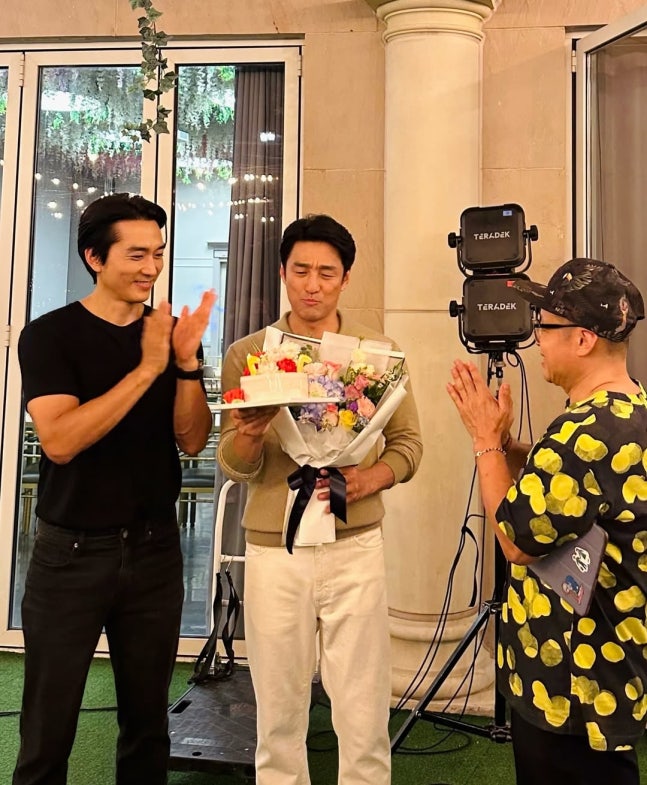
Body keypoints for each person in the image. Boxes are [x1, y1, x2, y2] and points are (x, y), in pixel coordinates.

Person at [14, 193, 215, 785]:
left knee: (148, 726)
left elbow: (192, 440)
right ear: (95, 258)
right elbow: (60, 441)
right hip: (70, 555)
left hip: (155, 551)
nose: (152, 268)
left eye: (158, 253)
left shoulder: (171, 336)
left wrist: (184, 366)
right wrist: (148, 368)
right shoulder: (50, 336)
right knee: (47, 730)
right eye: (136, 255)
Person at [217, 214, 423, 785]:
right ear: (283, 273)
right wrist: (251, 434)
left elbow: (409, 445)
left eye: (326, 273)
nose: (312, 285)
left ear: (346, 278)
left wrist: (367, 479)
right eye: (301, 270)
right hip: (274, 548)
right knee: (278, 701)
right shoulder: (249, 353)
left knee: (363, 701)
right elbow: (233, 464)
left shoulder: (377, 354)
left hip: (354, 543)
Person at [446, 257, 647, 785]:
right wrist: (509, 446)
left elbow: (516, 540)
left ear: (582, 339)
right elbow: (566, 492)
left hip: (571, 683)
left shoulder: (583, 433)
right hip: (608, 670)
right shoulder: (626, 411)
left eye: (546, 324)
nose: (536, 335)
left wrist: (485, 442)